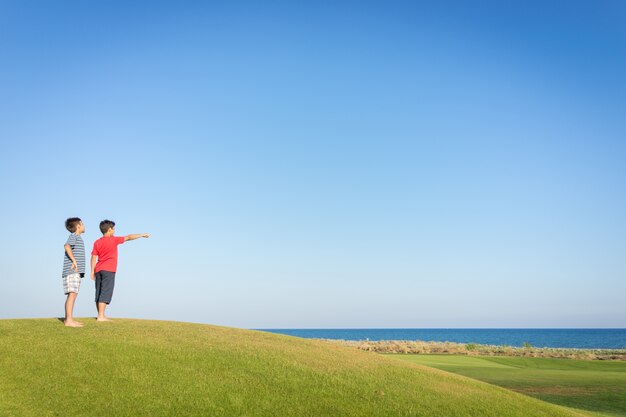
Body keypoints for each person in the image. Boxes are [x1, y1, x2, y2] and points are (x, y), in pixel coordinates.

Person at [91, 219, 150, 321]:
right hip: (108, 270)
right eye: (113, 229)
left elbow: (93, 257)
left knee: (99, 292)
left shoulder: (97, 242)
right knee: (105, 292)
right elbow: (129, 237)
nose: (114, 231)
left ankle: (101, 315)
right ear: (109, 230)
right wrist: (141, 235)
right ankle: (101, 316)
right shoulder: (113, 240)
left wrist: (92, 271)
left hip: (98, 269)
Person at [62, 217, 86, 327]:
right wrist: (74, 260)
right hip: (72, 271)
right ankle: (68, 321)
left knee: (73, 294)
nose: (84, 225)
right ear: (78, 226)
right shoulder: (74, 236)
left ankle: (70, 318)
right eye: (83, 223)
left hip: (75, 272)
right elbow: (66, 246)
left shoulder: (78, 238)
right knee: (72, 295)